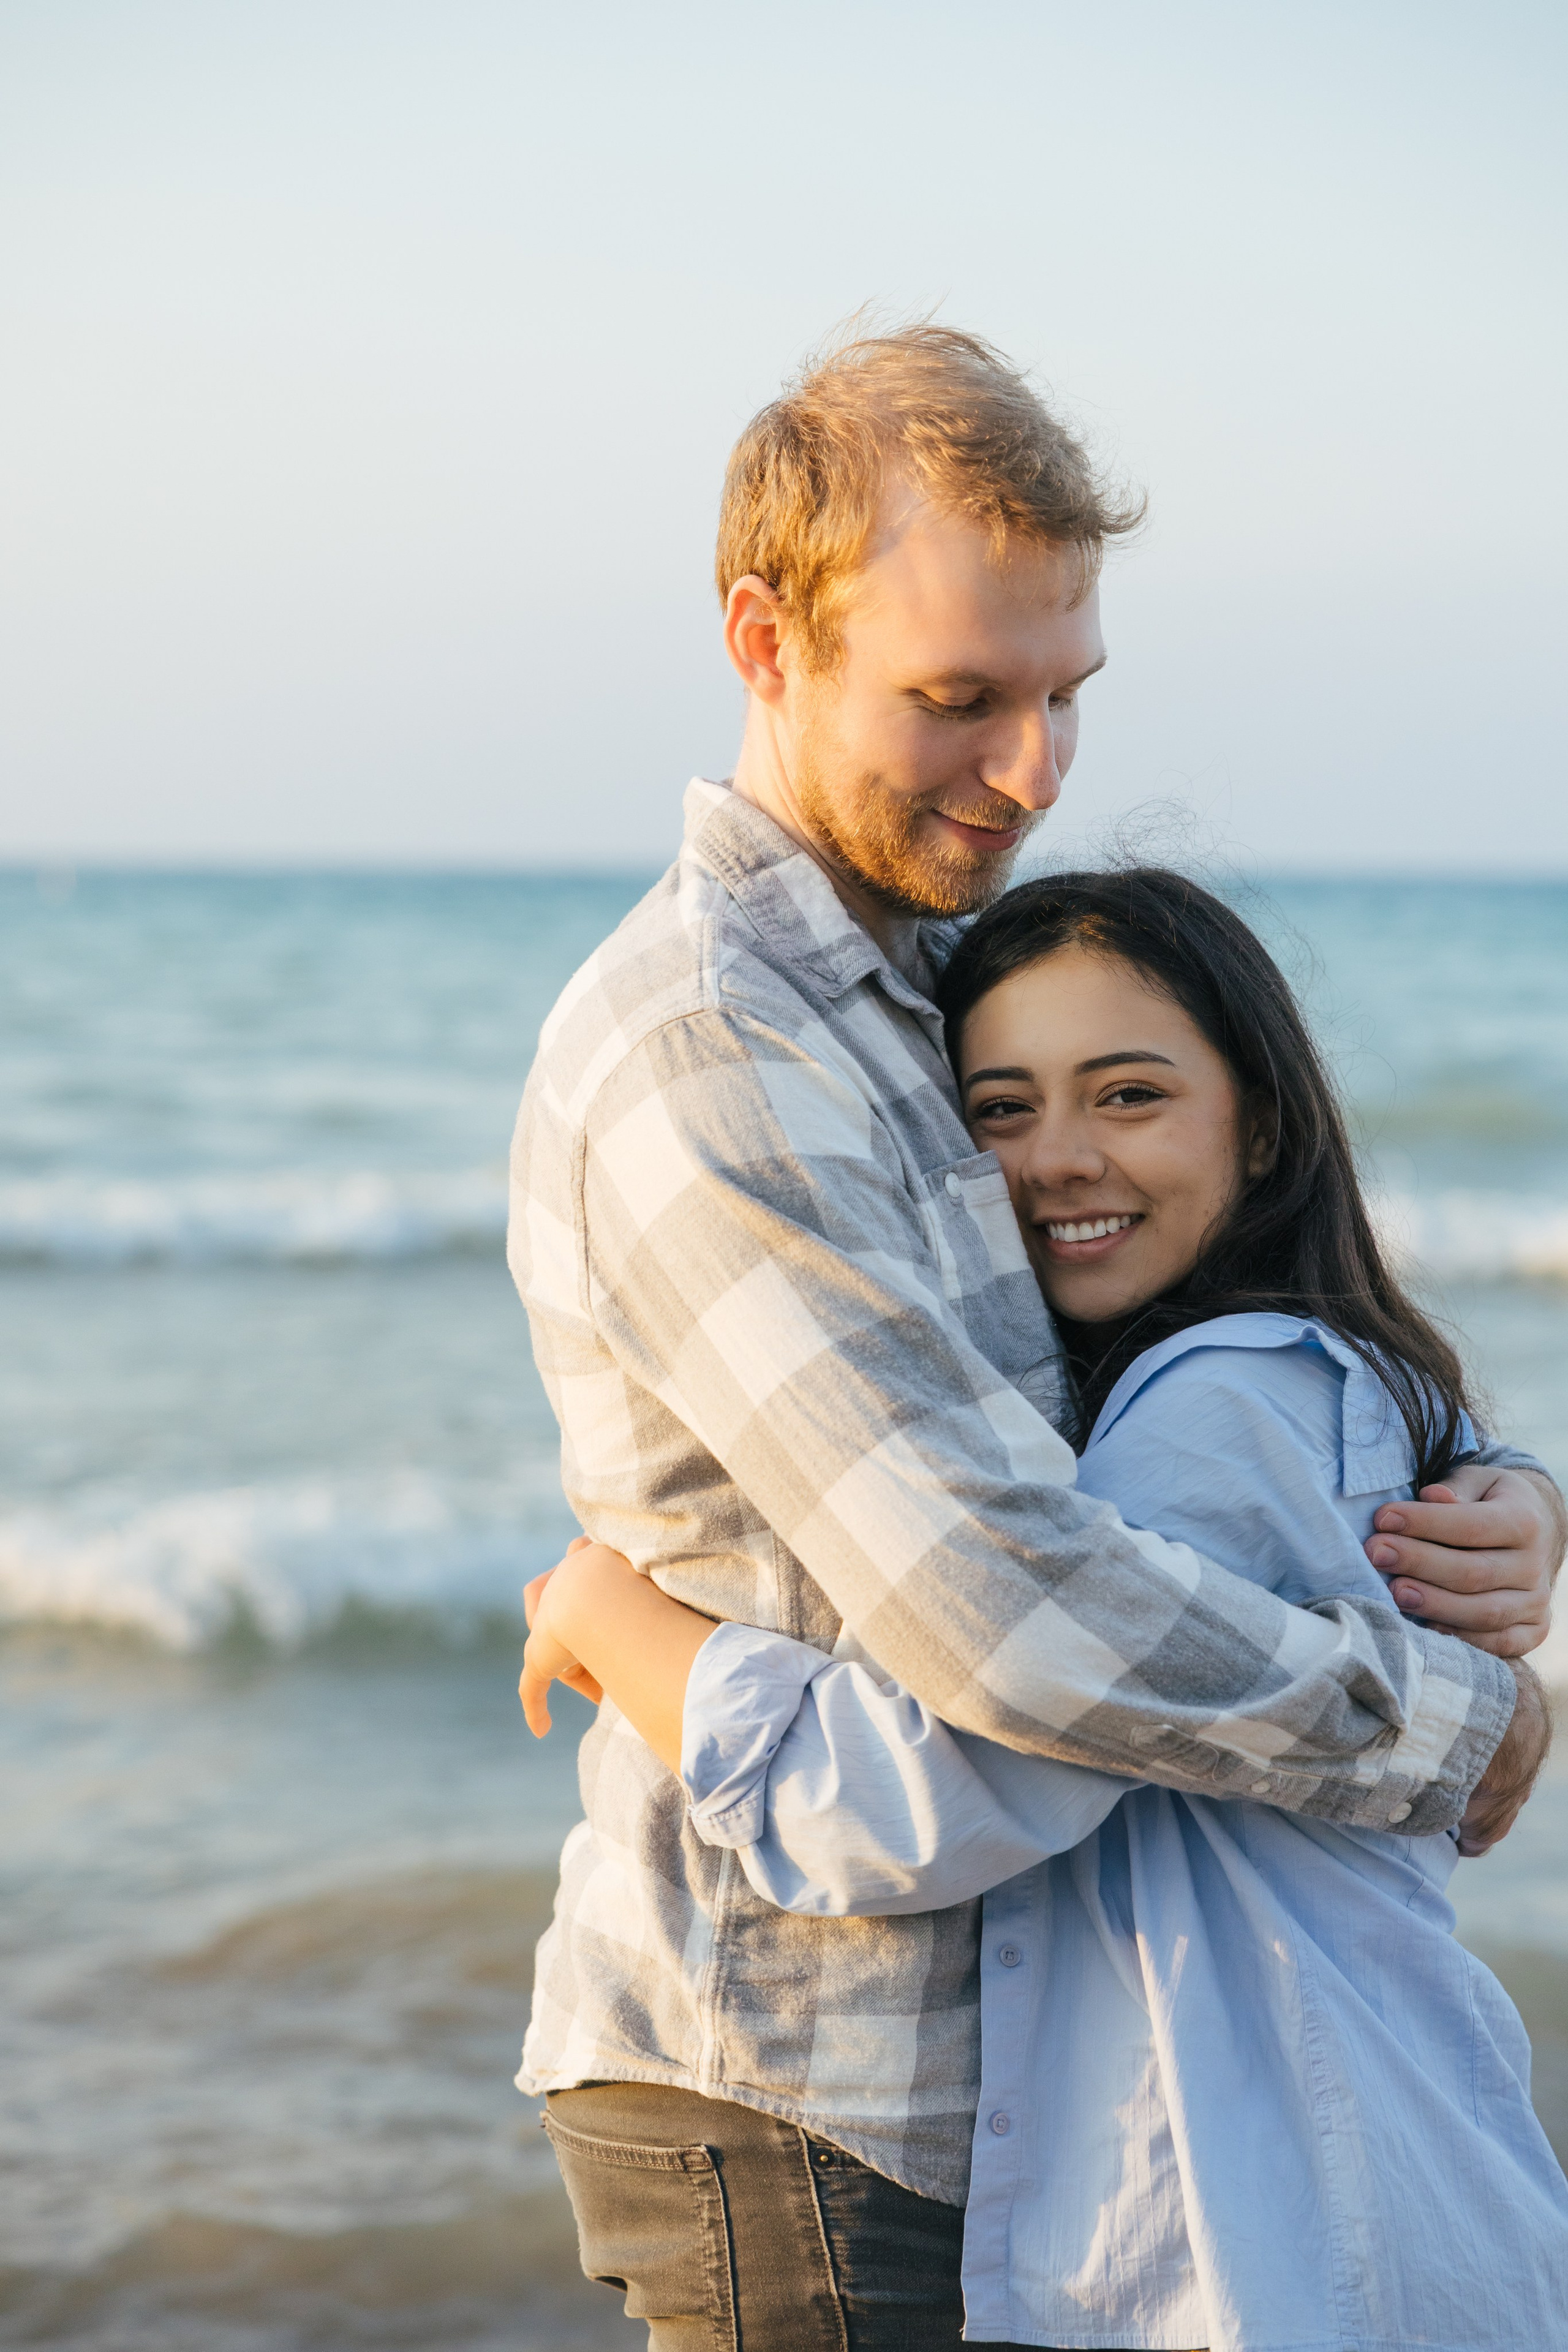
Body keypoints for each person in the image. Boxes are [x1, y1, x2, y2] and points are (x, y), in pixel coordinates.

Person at [507, 323, 1564, 2350]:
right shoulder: (726, 1048)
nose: (1028, 773)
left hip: (970, 2099)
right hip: (809, 2087)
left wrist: (1483, 1490)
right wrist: (1449, 1725)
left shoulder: (921, 1001)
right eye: (957, 699)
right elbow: (1010, 1608)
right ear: (766, 638)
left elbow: (1169, 1368)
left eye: (1065, 697)